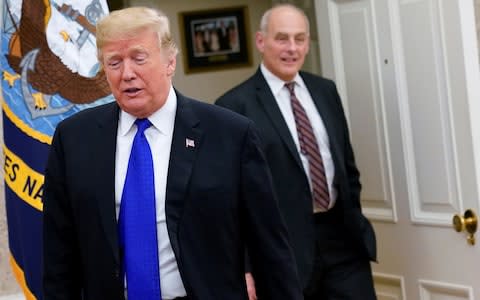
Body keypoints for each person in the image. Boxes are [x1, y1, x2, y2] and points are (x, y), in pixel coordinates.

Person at [42, 6, 303, 300]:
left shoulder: (230, 135)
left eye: (139, 58)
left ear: (170, 62)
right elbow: (58, 254)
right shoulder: (74, 138)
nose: (127, 73)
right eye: (114, 62)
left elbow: (270, 248)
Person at [216, 4, 377, 300]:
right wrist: (245, 267)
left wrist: (356, 222)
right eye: (282, 38)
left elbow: (347, 167)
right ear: (261, 41)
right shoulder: (233, 107)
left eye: (300, 39)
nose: (292, 48)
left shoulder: (325, 91)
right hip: (282, 251)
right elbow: (231, 200)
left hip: (342, 241)